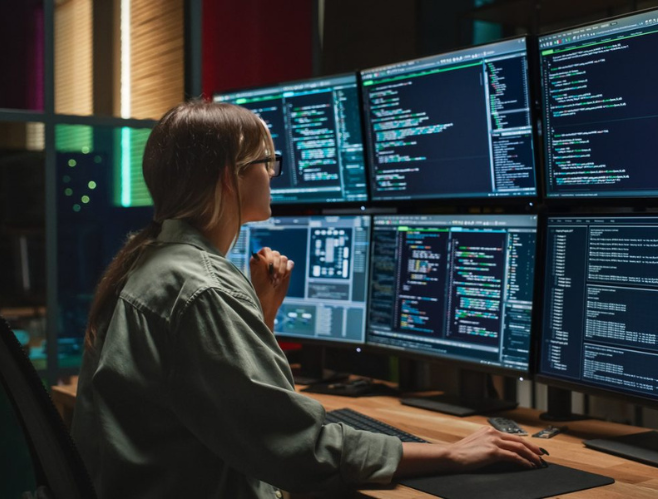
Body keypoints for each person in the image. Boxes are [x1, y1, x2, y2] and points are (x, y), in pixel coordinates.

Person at [70, 100, 545, 498]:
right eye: (266, 161)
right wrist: (452, 452)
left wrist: (259, 318)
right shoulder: (201, 289)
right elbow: (299, 448)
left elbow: (225, 403)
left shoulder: (152, 261)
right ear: (229, 179)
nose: (274, 174)